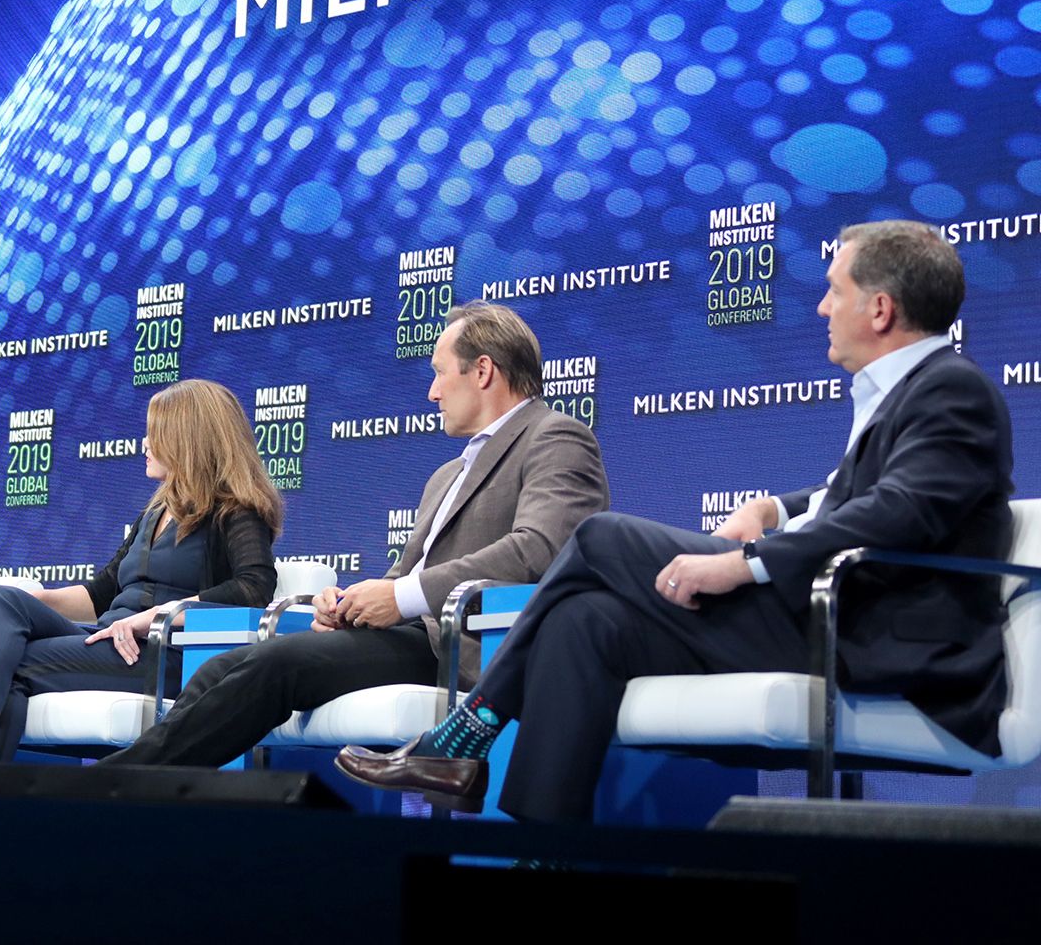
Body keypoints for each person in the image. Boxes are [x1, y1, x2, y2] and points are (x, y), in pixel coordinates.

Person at [338, 221, 1014, 822]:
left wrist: (744, 562)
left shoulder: (952, 389)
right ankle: (543, 853)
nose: (820, 306)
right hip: (833, 613)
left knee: (603, 537)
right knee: (584, 624)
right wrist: (776, 508)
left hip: (870, 633)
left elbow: (900, 510)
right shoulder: (908, 392)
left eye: (834, 290)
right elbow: (858, 493)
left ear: (881, 307)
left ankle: (466, 734)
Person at [98, 302, 607, 768]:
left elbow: (541, 549)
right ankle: (150, 792)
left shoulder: (555, 437)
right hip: (410, 633)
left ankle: (119, 783)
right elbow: (403, 576)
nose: (431, 392)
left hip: (461, 645)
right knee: (221, 669)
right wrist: (349, 604)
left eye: (437, 373)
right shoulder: (447, 475)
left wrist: (400, 597)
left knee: (276, 663)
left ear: (482, 370)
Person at [0, 377, 282, 764]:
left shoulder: (235, 510)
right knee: (3, 599)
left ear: (187, 440)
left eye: (155, 433)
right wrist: (26, 602)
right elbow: (100, 593)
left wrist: (156, 617)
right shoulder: (155, 512)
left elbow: (254, 588)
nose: (145, 444)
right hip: (106, 639)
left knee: (8, 664)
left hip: (159, 654)